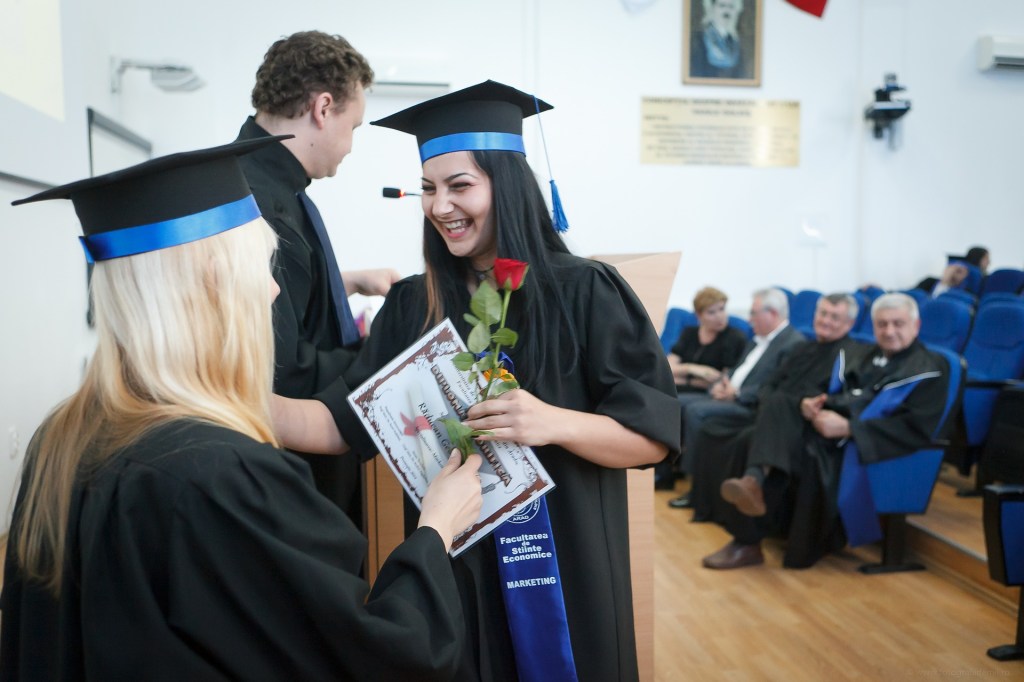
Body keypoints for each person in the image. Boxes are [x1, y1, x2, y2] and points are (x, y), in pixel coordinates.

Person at [0, 139, 484, 680]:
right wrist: (436, 529)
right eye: (262, 265)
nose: (275, 289)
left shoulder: (63, 438)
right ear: (212, 282)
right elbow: (376, 656)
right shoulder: (220, 476)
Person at [341, 80, 680, 681]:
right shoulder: (412, 305)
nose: (439, 205)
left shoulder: (584, 292)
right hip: (456, 569)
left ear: (510, 185)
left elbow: (650, 438)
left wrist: (551, 422)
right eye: (428, 189)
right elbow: (349, 421)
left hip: (571, 574)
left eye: (460, 185)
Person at [234, 31, 401, 521]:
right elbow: (285, 369)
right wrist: (384, 355)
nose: (350, 146)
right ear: (323, 108)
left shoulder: (256, 179)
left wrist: (345, 281)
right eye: (354, 126)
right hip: (291, 473)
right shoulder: (261, 206)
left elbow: (286, 292)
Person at [704, 293, 949, 570]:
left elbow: (916, 428)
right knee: (776, 410)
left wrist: (847, 427)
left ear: (915, 326)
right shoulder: (868, 355)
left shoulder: (929, 368)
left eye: (897, 324)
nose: (889, 331)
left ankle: (749, 531)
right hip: (830, 432)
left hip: (866, 446)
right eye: (882, 324)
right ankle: (752, 502)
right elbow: (846, 396)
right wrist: (816, 406)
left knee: (785, 447)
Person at [687, 293, 868, 525]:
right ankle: (707, 507)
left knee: (747, 434)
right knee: (711, 428)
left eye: (835, 317)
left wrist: (804, 404)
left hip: (804, 423)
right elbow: (769, 385)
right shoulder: (802, 349)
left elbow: (839, 397)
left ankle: (753, 483)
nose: (826, 321)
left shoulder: (851, 355)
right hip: (771, 412)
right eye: (822, 314)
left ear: (849, 324)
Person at [668, 287, 804, 508]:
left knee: (694, 411)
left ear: (772, 314)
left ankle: (696, 487)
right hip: (730, 396)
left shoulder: (791, 343)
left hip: (750, 405)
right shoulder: (758, 339)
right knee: (677, 403)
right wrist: (723, 385)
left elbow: (774, 386)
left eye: (753, 313)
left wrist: (737, 392)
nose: (748, 319)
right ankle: (674, 473)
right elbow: (736, 371)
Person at [655, 286, 747, 489]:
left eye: (722, 309)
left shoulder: (734, 337)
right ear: (699, 315)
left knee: (673, 403)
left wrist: (685, 375)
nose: (719, 316)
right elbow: (667, 367)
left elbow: (719, 378)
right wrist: (694, 369)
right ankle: (663, 467)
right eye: (712, 312)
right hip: (685, 387)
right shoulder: (689, 333)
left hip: (708, 392)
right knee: (658, 396)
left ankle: (670, 471)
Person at [689, 0, 755, 80]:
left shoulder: (738, 44)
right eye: (722, 6)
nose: (726, 11)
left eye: (731, 7)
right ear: (712, 8)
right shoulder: (698, 40)